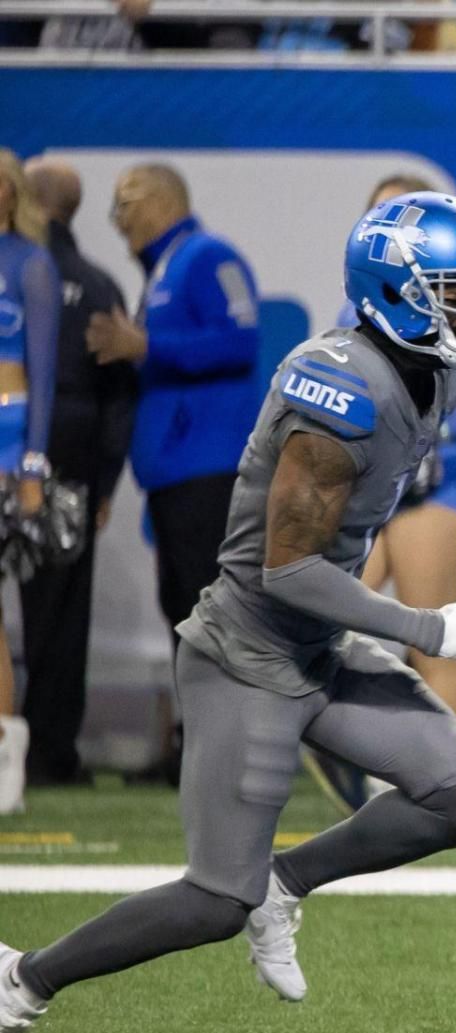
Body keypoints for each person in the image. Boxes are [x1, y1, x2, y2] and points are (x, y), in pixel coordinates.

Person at [0, 192, 456, 1033]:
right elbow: (287, 570)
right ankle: (21, 982)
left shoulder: (425, 369)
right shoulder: (342, 387)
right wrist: (426, 626)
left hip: (316, 647)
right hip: (247, 653)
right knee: (213, 898)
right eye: (455, 290)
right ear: (398, 290)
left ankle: (287, 884)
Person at [303, 173, 456, 816]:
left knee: (435, 630)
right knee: (337, 623)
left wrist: (437, 428)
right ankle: (377, 758)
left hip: (438, 480)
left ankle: (438, 777)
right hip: (380, 478)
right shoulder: (356, 309)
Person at [91, 163, 261, 686]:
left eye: (125, 202)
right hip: (174, 474)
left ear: (163, 203)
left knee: (207, 605)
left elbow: (242, 337)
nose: (116, 218)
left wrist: (145, 346)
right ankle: (195, 738)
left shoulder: (210, 255)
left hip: (205, 472)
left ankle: (224, 740)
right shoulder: (165, 270)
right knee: (183, 605)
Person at [18, 156, 137, 791]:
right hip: (70, 454)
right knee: (60, 612)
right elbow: (118, 395)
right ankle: (48, 754)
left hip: (23, 443)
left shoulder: (20, 270)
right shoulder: (95, 285)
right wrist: (104, 483)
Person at [0, 149, 61, 815]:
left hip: (8, 435)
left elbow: (44, 371)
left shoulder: (30, 263)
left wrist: (34, 464)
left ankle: (6, 761)